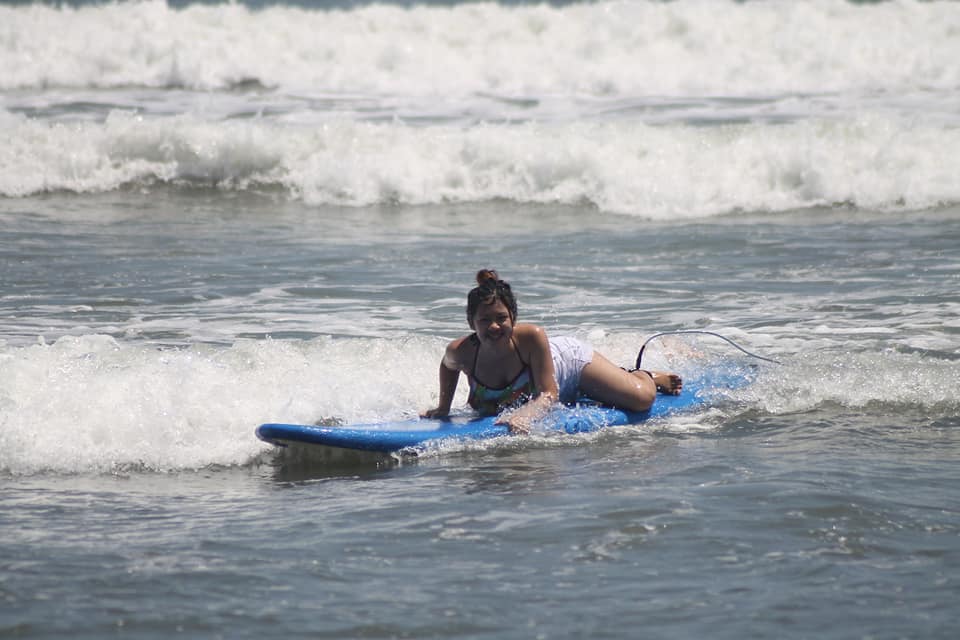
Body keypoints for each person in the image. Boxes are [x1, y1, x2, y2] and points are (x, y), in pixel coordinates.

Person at [422, 269, 683, 433]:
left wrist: (527, 413)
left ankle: (646, 375)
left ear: (513, 317)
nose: (494, 326)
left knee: (641, 399)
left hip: (569, 364)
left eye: (501, 318)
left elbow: (549, 393)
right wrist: (443, 407)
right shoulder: (462, 352)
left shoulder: (532, 337)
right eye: (484, 320)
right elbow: (448, 365)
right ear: (471, 323)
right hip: (549, 377)